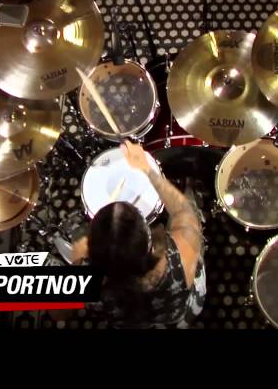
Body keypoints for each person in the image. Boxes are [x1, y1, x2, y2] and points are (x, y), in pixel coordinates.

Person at [72, 140, 206, 328]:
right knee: (191, 207)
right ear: (149, 242)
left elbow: (59, 315)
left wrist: (76, 263)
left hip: (130, 324)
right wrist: (147, 169)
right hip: (178, 315)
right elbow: (183, 210)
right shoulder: (180, 258)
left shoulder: (84, 283)